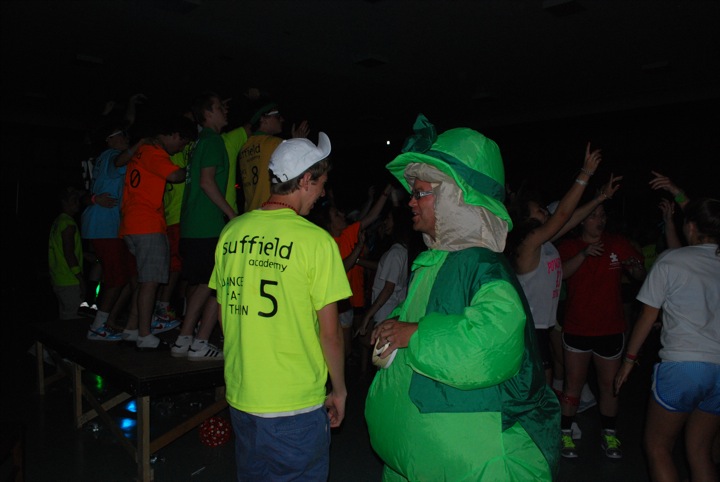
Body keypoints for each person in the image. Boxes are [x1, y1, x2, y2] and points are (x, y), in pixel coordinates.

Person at [365, 115, 560, 481]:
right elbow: (425, 315)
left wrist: (413, 334)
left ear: (457, 198)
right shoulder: (436, 260)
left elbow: (492, 343)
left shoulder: (482, 265)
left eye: (421, 192)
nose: (411, 203)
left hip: (476, 452)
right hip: (421, 455)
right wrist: (395, 327)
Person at [210, 132, 350, 481]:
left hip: (243, 398)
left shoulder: (232, 232)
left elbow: (226, 313)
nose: (322, 194)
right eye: (321, 185)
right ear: (305, 180)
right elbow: (330, 335)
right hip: (295, 405)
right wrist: (339, 390)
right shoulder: (317, 242)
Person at [615, 196, 719, 482]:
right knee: (701, 452)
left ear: (691, 227)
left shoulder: (671, 260)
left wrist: (628, 361)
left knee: (658, 447)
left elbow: (646, 317)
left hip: (684, 365)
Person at [557, 198, 646, 459]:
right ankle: (565, 432)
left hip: (611, 328)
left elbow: (640, 274)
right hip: (577, 328)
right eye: (594, 215)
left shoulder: (617, 243)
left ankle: (609, 434)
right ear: (582, 220)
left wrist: (636, 269)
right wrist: (584, 254)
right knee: (573, 384)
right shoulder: (569, 246)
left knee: (610, 386)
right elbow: (561, 274)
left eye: (603, 215)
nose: (600, 220)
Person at [118, 115, 196, 350]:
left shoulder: (142, 150)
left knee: (144, 281)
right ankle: (145, 334)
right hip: (147, 224)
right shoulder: (154, 152)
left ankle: (132, 329)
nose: (179, 149)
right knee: (150, 282)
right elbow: (175, 176)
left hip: (132, 224)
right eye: (181, 143)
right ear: (174, 135)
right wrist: (194, 166)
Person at [171, 92, 237, 361]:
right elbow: (207, 182)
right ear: (207, 114)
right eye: (220, 107)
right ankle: (200, 343)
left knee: (202, 284)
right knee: (217, 285)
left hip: (192, 226)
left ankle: (184, 339)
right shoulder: (212, 141)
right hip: (207, 226)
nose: (225, 111)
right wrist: (232, 214)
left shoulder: (199, 143)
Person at [80, 124, 135, 340]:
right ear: (110, 140)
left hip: (105, 225)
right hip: (104, 226)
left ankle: (108, 321)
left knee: (125, 275)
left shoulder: (102, 158)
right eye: (121, 135)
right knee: (116, 277)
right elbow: (121, 161)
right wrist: (141, 144)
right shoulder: (113, 156)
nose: (126, 138)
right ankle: (97, 326)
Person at [237, 100, 309, 212]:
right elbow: (299, 172)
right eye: (277, 116)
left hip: (251, 213)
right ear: (263, 119)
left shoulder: (243, 147)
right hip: (272, 211)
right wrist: (298, 143)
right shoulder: (275, 144)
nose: (282, 119)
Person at [48, 186, 85, 320]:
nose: (77, 204)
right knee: (74, 317)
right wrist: (80, 278)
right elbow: (68, 253)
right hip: (69, 280)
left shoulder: (58, 222)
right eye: (74, 200)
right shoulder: (68, 224)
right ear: (64, 202)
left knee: (65, 316)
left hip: (58, 278)